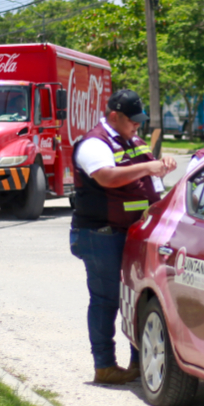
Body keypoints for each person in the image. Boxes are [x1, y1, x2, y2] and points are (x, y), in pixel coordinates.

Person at [70, 89, 177, 385]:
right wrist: (148, 166)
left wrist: (162, 169)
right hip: (101, 234)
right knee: (107, 300)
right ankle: (104, 365)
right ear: (114, 117)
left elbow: (146, 181)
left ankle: (137, 361)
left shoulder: (132, 140)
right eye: (133, 121)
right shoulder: (94, 144)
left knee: (136, 296)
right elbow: (106, 177)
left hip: (133, 233)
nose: (137, 126)